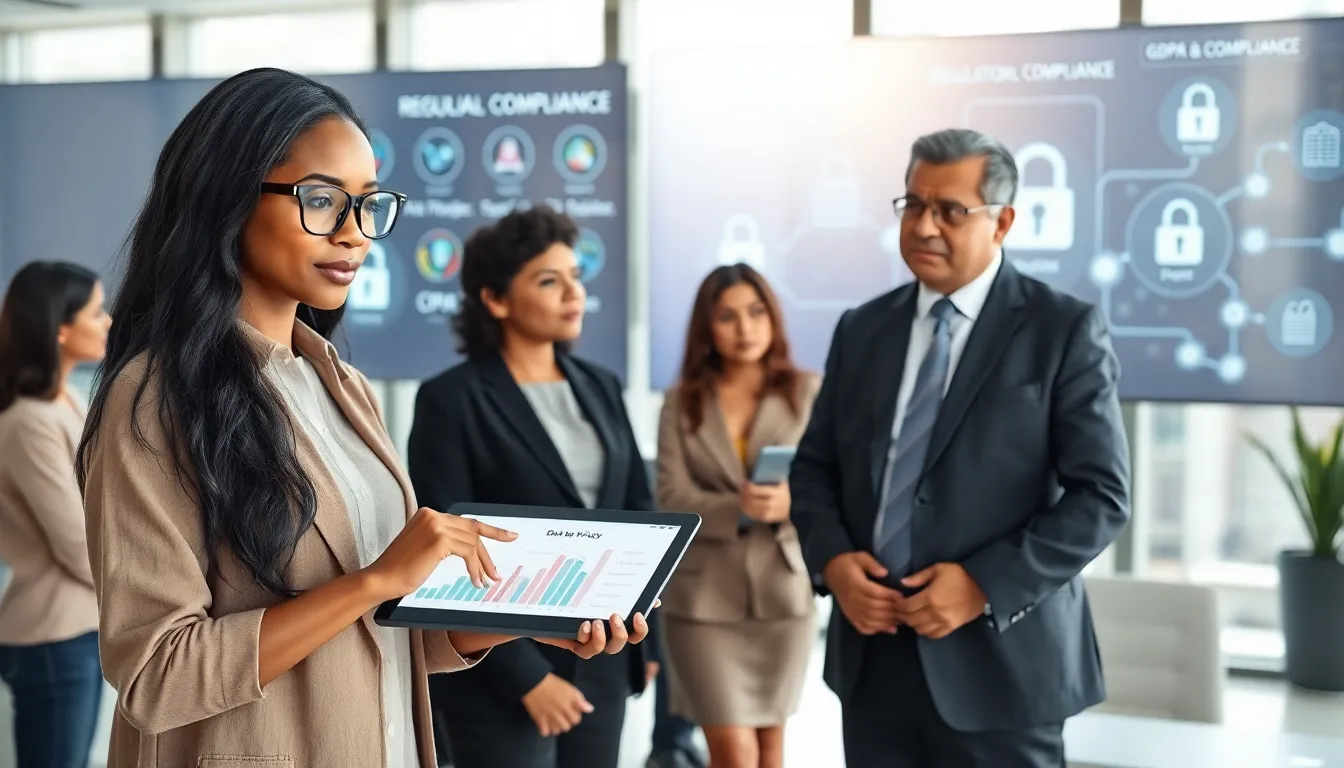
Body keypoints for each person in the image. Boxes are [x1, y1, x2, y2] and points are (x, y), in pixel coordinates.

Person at [75, 68, 648, 768]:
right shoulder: (155, 399)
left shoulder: (343, 387)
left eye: (368, 205)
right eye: (321, 200)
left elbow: (376, 637)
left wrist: (516, 621)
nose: (355, 235)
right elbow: (158, 676)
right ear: (227, 198)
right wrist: (374, 580)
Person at [789, 128, 1132, 768]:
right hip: (873, 657)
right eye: (914, 205)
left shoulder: (1062, 330)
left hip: (1002, 667)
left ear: (1002, 222)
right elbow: (813, 469)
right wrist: (832, 562)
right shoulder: (863, 328)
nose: (924, 227)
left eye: (950, 210)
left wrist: (982, 585)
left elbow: (1101, 497)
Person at [408, 205, 658, 768]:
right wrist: (527, 680)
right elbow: (451, 550)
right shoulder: (450, 399)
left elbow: (639, 514)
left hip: (604, 653)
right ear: (496, 300)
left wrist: (649, 640)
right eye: (549, 280)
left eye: (576, 276)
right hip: (499, 674)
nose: (573, 293)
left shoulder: (602, 385)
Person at [655, 264, 818, 768]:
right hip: (703, 601)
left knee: (771, 751)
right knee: (734, 753)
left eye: (756, 312)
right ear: (707, 327)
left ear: (773, 318)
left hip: (783, 593)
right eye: (727, 317)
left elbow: (832, 486)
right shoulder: (681, 402)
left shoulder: (808, 392)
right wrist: (736, 508)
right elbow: (670, 497)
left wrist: (790, 505)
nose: (745, 328)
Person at [0, 261, 111, 768]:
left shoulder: (66, 398)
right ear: (60, 328)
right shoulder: (30, 421)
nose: (108, 320)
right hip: (53, 637)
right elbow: (75, 543)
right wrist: (144, 590)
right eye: (96, 311)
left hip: (75, 631)